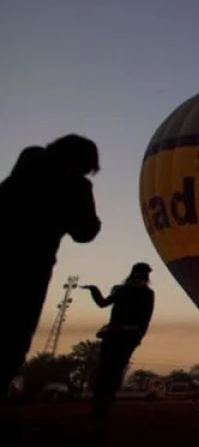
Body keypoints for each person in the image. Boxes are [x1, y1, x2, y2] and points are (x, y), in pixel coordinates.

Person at [0, 136, 102, 399]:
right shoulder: (75, 186)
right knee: (12, 336)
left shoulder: (26, 167)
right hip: (29, 271)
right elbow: (84, 231)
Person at [82, 262, 155, 417]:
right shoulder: (146, 293)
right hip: (127, 335)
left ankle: (100, 404)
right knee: (114, 368)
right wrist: (138, 335)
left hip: (115, 334)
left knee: (106, 368)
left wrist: (94, 290)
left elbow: (102, 303)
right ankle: (104, 403)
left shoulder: (121, 290)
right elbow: (146, 319)